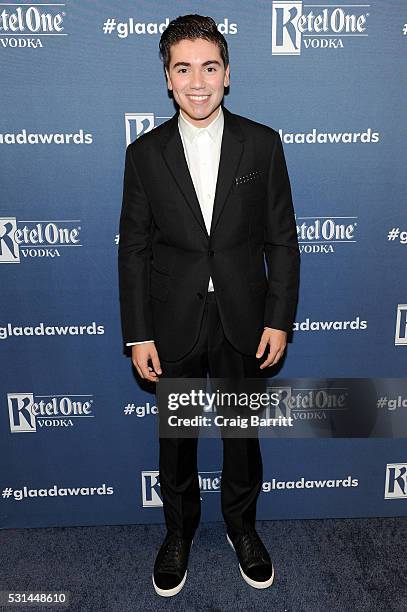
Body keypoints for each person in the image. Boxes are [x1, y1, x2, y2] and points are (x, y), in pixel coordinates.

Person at [118, 14, 300, 597]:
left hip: (245, 321)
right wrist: (138, 334)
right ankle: (178, 533)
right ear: (167, 79)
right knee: (178, 440)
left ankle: (242, 528)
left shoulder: (263, 143)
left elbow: (282, 239)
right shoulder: (144, 154)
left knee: (241, 436)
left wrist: (278, 318)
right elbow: (135, 250)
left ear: (228, 74)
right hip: (173, 321)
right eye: (183, 68)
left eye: (210, 67)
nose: (198, 82)